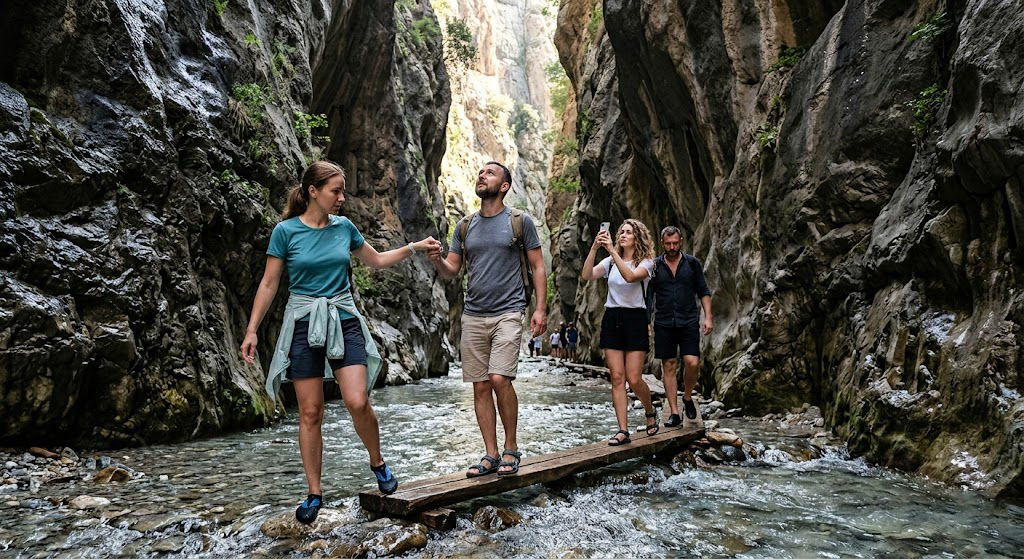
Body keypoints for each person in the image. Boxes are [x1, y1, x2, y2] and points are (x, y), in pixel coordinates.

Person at [240, 161, 441, 524]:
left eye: (343, 191)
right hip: (303, 323)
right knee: (311, 412)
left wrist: (413, 247)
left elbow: (377, 261)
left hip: (343, 318)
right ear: (312, 192)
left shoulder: (344, 228)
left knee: (357, 400)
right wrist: (252, 329)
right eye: (335, 191)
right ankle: (314, 493)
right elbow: (269, 284)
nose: (341, 198)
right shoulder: (284, 232)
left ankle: (377, 462)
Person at [428, 161, 547, 478]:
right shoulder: (465, 226)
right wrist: (437, 259)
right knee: (480, 386)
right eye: (481, 172)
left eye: (490, 173)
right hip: (473, 314)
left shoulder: (520, 222)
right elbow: (453, 270)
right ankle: (491, 454)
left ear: (505, 185)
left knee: (499, 378)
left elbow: (537, 266)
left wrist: (540, 309)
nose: (483, 175)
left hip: (509, 311)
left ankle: (511, 448)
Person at [580, 219, 659, 445]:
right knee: (616, 377)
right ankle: (623, 430)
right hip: (612, 317)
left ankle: (649, 410)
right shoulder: (609, 262)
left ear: (638, 238)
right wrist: (595, 248)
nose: (623, 235)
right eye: (621, 231)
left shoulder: (647, 263)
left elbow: (631, 277)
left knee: (634, 378)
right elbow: (587, 275)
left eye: (628, 232)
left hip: (635, 319)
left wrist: (613, 251)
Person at [649, 226, 713, 425]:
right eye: (668, 244)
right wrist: (646, 322)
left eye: (675, 243)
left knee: (692, 362)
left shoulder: (692, 264)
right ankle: (675, 413)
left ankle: (687, 397)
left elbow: (703, 291)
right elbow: (648, 296)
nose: (672, 247)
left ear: (681, 241)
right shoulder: (655, 266)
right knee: (668, 365)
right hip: (663, 321)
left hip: (689, 320)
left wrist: (708, 317)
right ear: (662, 243)